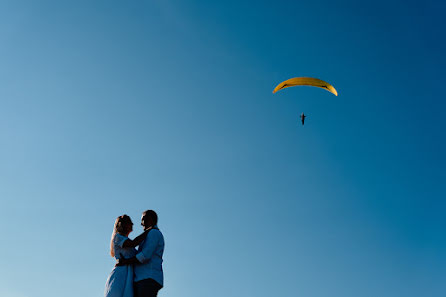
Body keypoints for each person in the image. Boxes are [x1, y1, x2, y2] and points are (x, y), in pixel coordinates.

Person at [116, 210, 165, 297]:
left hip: (147, 278)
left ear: (149, 219)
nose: (141, 223)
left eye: (143, 220)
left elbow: (145, 256)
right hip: (142, 278)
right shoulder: (149, 233)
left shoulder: (154, 233)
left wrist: (126, 261)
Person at [104, 215, 150, 297]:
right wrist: (148, 232)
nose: (132, 224)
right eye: (129, 222)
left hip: (128, 273)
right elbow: (133, 243)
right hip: (122, 272)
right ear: (123, 225)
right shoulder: (118, 237)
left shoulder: (124, 239)